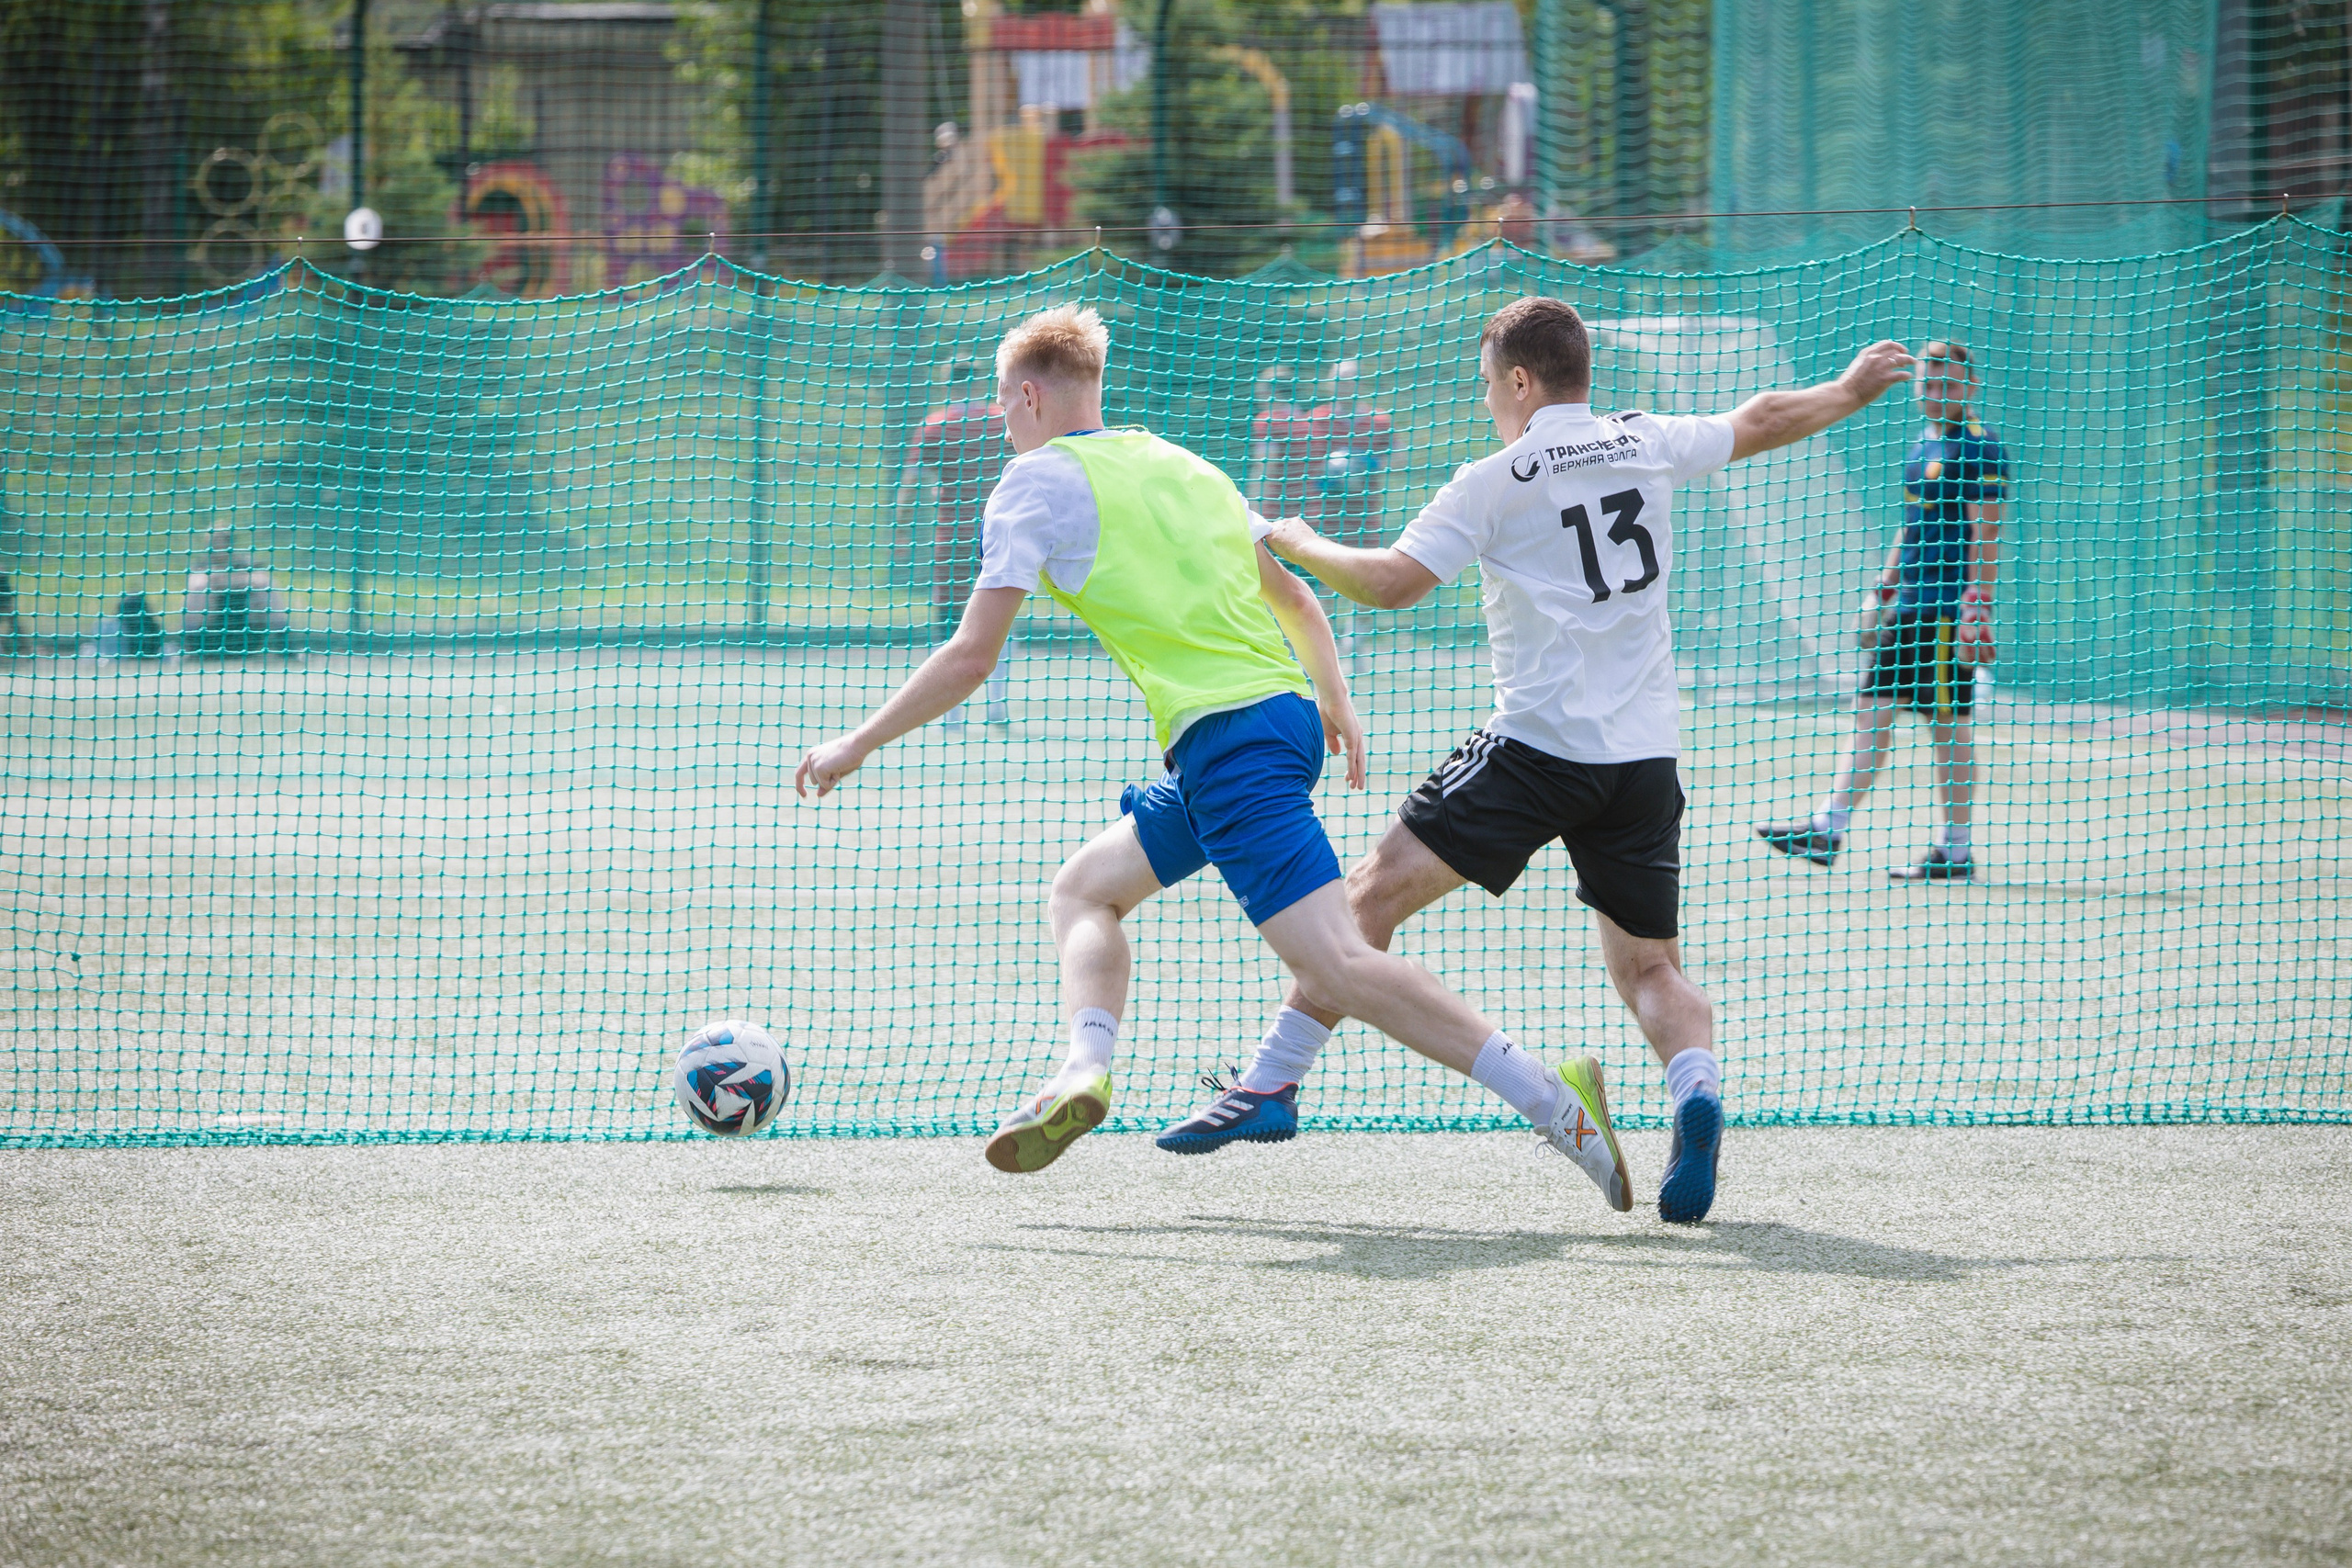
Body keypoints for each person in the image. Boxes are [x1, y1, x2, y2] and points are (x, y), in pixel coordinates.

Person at [796, 304, 1638, 1211]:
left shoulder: (1030, 484)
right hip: (1267, 725)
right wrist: (1333, 700)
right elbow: (1300, 601)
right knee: (1085, 888)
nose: (1005, 425)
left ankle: (1553, 1101)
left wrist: (856, 741)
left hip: (1228, 741)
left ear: (1030, 396)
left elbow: (970, 655)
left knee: (1338, 966)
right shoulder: (1182, 464)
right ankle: (1082, 1070)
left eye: (1005, 408)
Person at [1153, 295, 1917, 1225]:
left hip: (1534, 752)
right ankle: (1695, 1090)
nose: (1486, 402)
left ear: (1519, 381)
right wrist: (1846, 388)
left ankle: (1271, 1083)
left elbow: (1391, 584)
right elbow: (1758, 418)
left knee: (1365, 899)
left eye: (1488, 385)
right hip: (1643, 766)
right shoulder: (1642, 438)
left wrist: (1295, 539)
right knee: (1650, 971)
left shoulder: (1495, 477)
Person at [1755, 341, 2008, 881]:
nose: (1938, 392)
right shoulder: (1923, 444)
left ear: (1971, 386)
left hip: (1945, 611)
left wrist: (1977, 606)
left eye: (1950, 383)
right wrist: (1882, 588)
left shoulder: (1981, 449)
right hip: (1910, 607)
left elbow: (1988, 530)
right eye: (1930, 383)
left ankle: (1955, 852)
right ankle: (1827, 830)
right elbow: (1913, 523)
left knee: (1949, 727)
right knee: (1870, 714)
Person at [899, 358, 1012, 730]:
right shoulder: (1002, 421)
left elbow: (911, 484)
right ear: (980, 380)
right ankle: (998, 710)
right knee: (999, 623)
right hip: (996, 538)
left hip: (951, 540)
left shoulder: (936, 425)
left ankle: (951, 715)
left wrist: (900, 531)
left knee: (948, 626)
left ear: (947, 383)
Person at [1306, 358, 1394, 548]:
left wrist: (1364, 465)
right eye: (1338, 380)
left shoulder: (1378, 420)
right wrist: (1334, 474)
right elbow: (1304, 464)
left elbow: (1397, 456)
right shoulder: (1316, 419)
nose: (1344, 386)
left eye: (1350, 380)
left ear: (1360, 383)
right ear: (1330, 383)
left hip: (1365, 513)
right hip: (1326, 514)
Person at [181, 527, 292, 657]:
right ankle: (189, 645)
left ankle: (283, 642)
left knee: (265, 585)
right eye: (213, 543)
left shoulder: (247, 563)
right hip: (210, 637)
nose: (217, 547)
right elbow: (203, 581)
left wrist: (227, 581)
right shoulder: (202, 565)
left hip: (248, 633)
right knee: (198, 586)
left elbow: (259, 578)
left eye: (220, 542)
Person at [1246, 364, 1317, 522]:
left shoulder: (1269, 421)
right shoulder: (1308, 423)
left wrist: (1254, 511)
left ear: (1272, 391)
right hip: (1307, 508)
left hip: (1276, 509)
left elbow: (1266, 468)